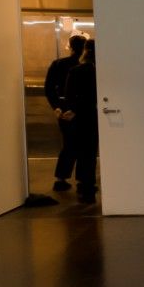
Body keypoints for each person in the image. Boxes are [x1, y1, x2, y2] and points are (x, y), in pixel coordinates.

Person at [44, 34, 86, 191]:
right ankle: (83, 180)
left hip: (63, 109)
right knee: (85, 146)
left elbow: (49, 88)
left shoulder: (58, 64)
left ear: (70, 46)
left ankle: (61, 178)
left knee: (69, 144)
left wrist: (56, 106)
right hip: (83, 111)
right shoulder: (88, 66)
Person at [62, 40, 99, 204]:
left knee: (82, 151)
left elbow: (69, 94)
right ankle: (88, 184)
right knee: (90, 152)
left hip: (79, 117)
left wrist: (73, 109)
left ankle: (83, 184)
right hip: (94, 114)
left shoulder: (76, 71)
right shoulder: (100, 71)